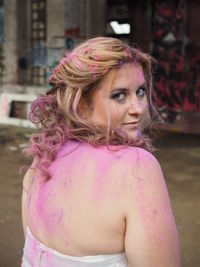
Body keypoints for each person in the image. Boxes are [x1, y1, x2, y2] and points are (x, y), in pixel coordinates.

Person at [21, 37, 181, 267]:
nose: (138, 109)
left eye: (140, 91)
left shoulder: (43, 156)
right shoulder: (137, 168)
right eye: (119, 95)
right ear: (81, 103)